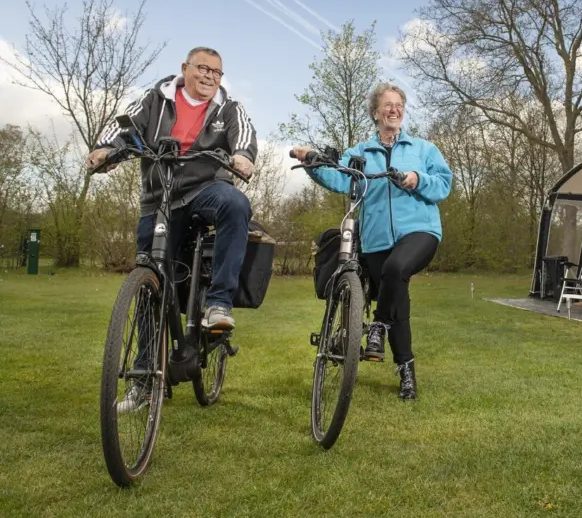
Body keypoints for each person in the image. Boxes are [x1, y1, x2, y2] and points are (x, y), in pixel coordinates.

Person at [86, 47, 258, 411]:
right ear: (185, 69)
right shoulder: (156, 99)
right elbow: (126, 128)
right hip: (158, 198)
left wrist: (242, 157)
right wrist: (105, 150)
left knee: (236, 204)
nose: (211, 76)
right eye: (203, 69)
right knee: (150, 285)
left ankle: (218, 303)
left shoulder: (229, 108)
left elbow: (243, 137)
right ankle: (145, 379)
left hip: (203, 190)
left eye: (217, 71)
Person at [292, 83, 452, 400]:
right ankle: (407, 373)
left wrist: (418, 179)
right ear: (376, 113)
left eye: (398, 104)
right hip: (377, 240)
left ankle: (377, 324)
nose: (393, 109)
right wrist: (311, 161)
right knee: (399, 300)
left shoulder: (423, 149)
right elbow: (340, 177)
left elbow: (443, 185)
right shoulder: (361, 152)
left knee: (397, 268)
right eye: (387, 105)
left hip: (420, 230)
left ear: (403, 111)